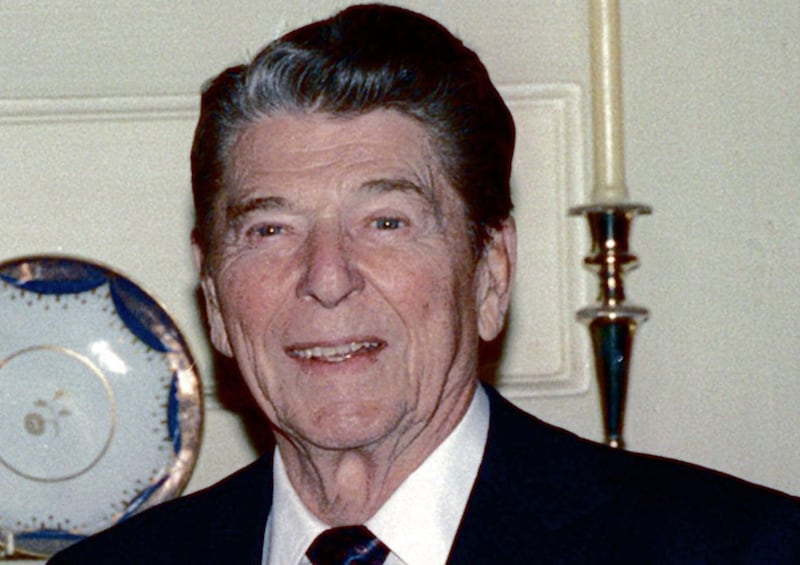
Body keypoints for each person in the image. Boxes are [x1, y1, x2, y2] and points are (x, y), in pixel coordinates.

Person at [50, 4, 800, 564]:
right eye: (270, 229)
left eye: (387, 222)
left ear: (491, 273)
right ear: (214, 301)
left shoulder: (738, 548)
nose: (326, 277)